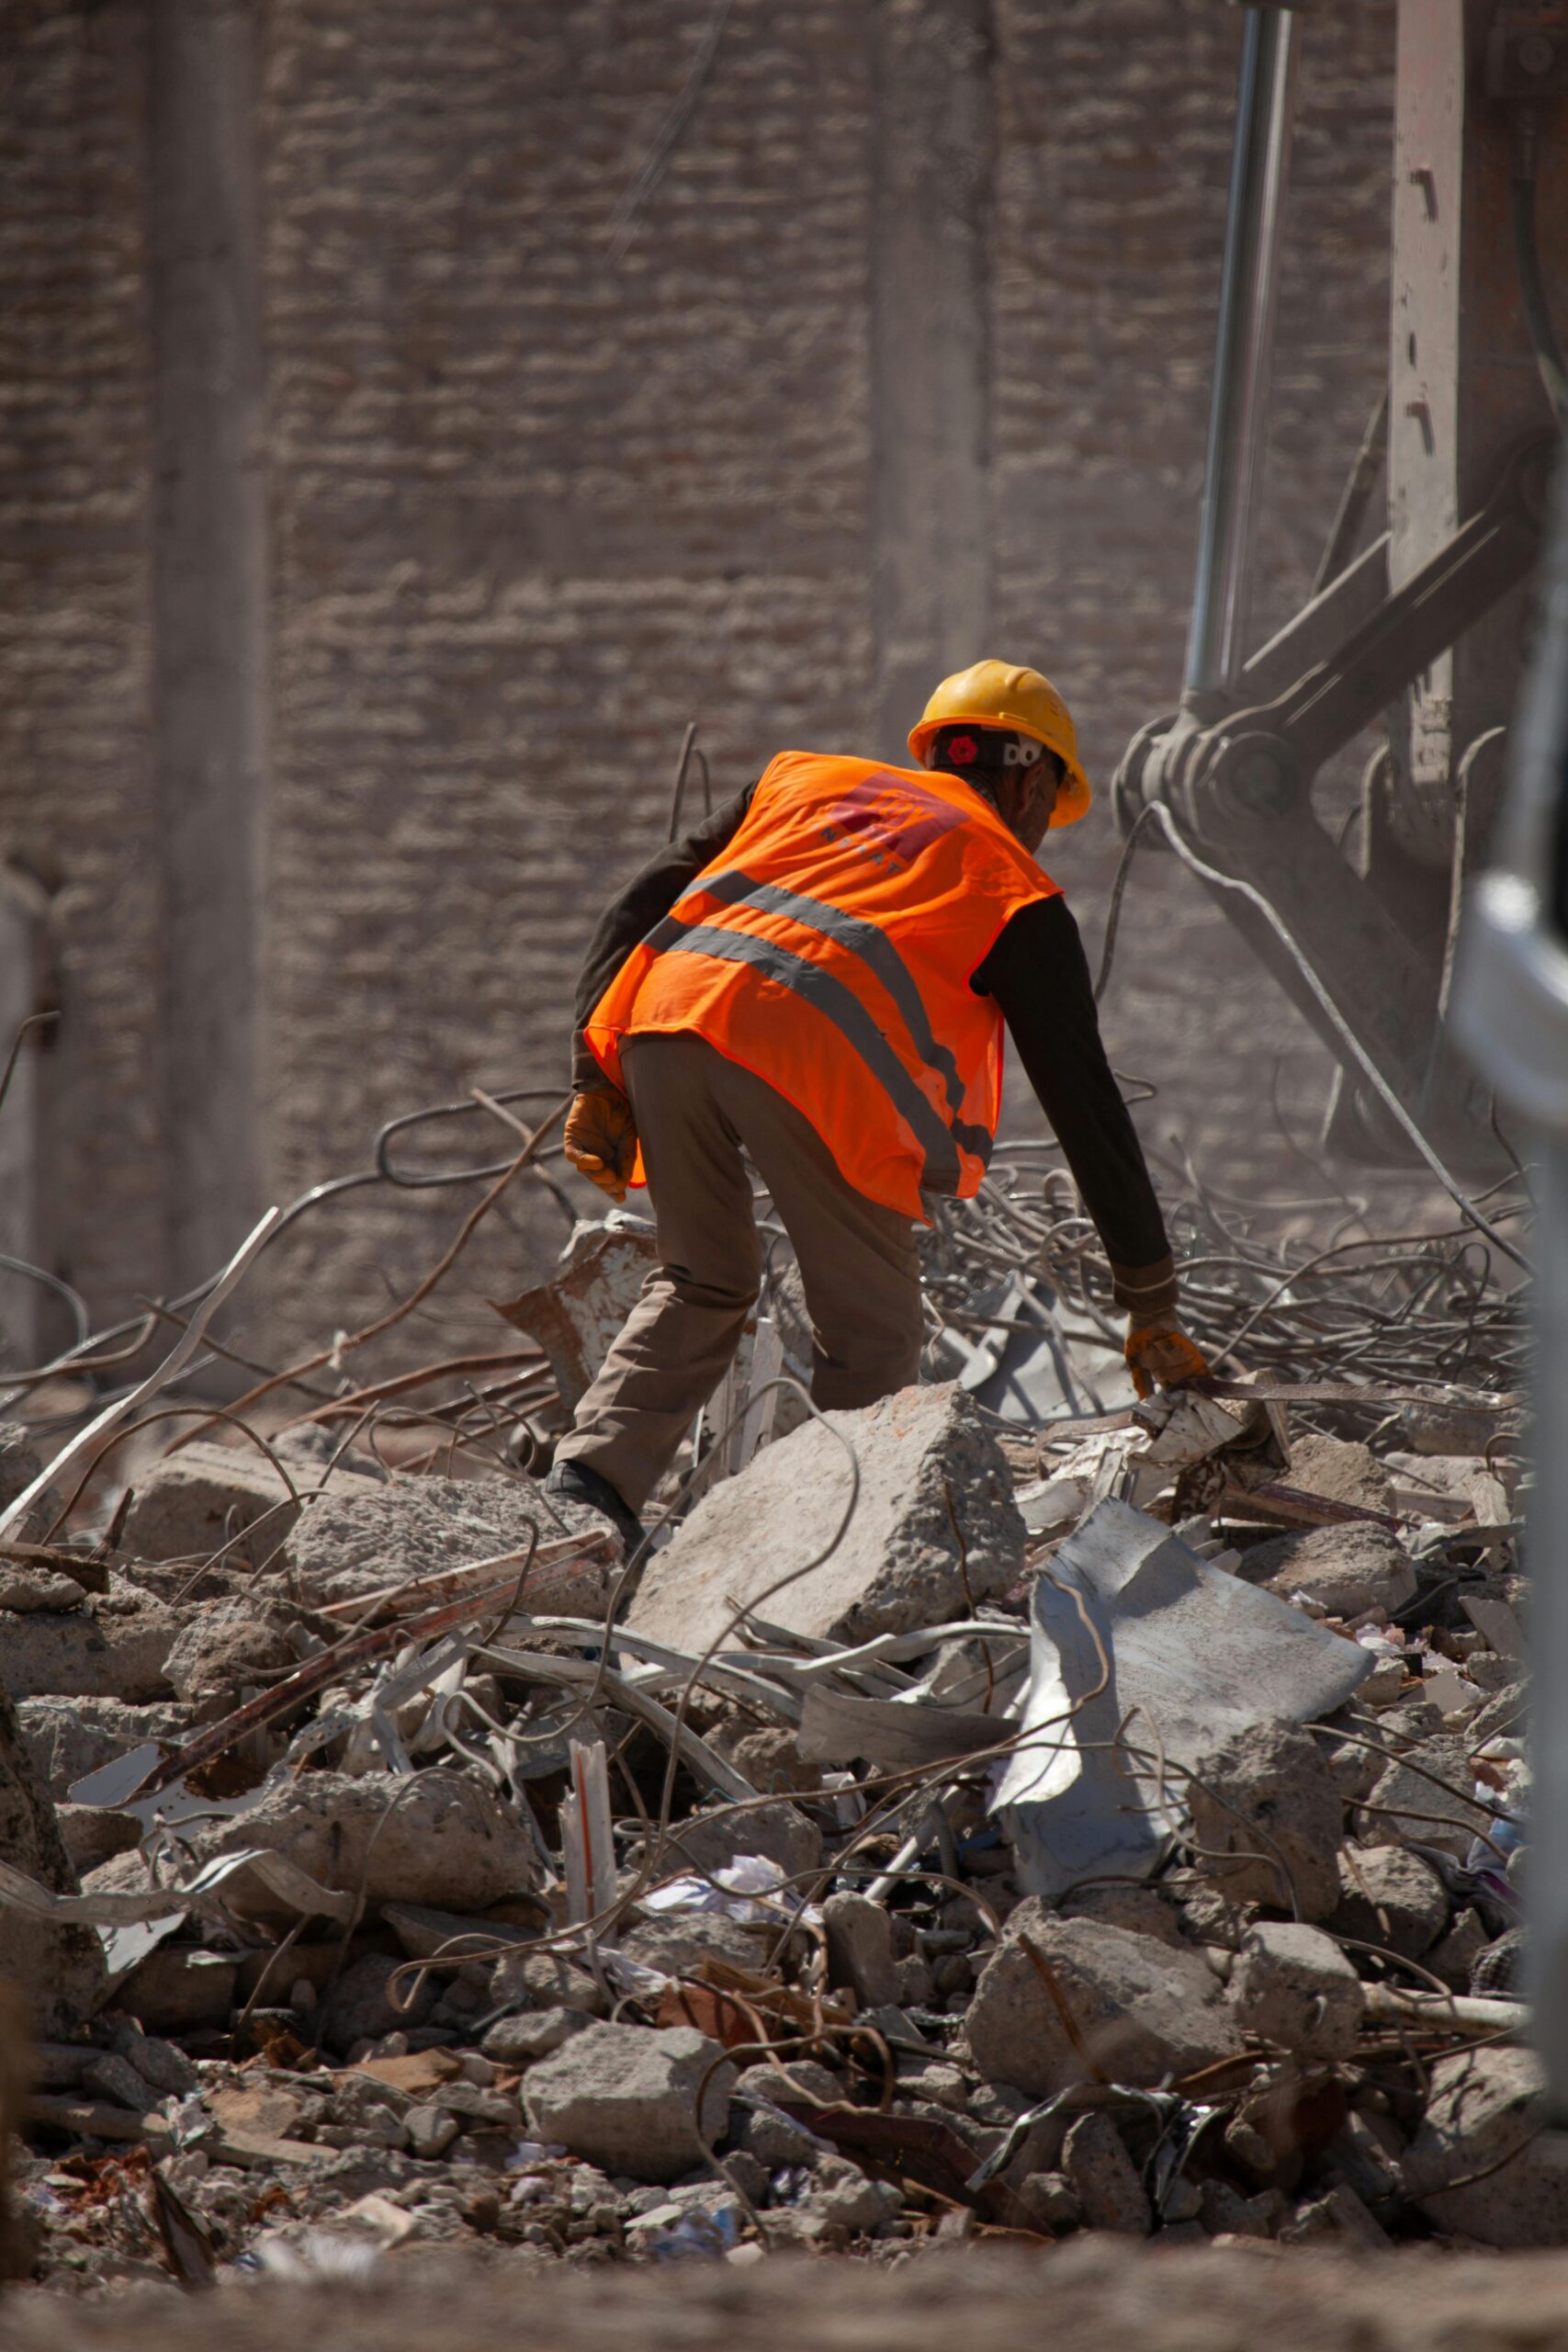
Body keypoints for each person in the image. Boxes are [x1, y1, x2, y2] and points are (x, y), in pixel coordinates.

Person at [543, 659, 1207, 1551]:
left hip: (668, 1024)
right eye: (1050, 804)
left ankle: (585, 1495)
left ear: (936, 751)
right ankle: (837, 1552)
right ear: (1027, 777)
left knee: (704, 1278)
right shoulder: (1013, 886)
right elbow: (1086, 1105)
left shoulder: (799, 781)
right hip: (815, 1062)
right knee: (872, 1332)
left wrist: (594, 1061)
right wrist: (1150, 1297)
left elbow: (640, 899)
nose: (1045, 828)